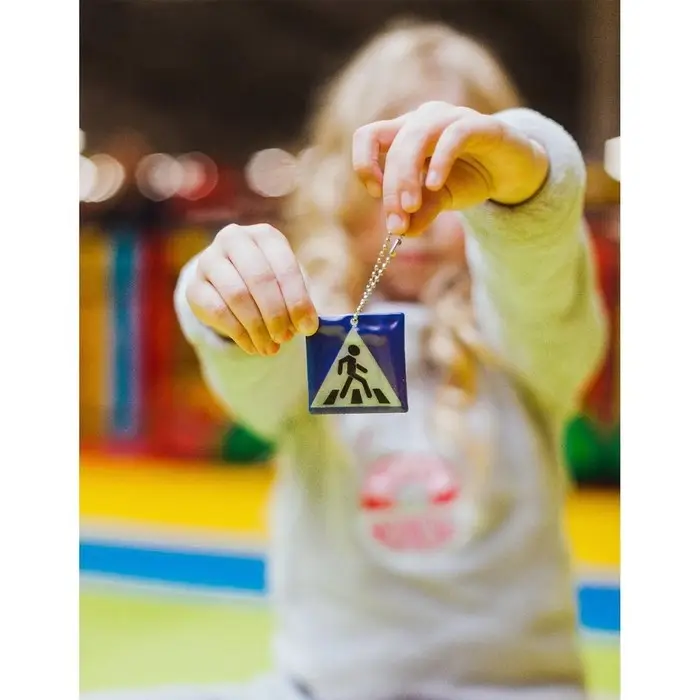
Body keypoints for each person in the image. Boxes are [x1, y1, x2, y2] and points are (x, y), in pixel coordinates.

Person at [90, 19, 608, 700]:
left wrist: (527, 177)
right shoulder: (311, 321)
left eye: (456, 185)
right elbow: (255, 386)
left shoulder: (531, 334)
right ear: (339, 186)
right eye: (384, 184)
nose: (421, 217)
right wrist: (220, 300)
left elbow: (543, 267)